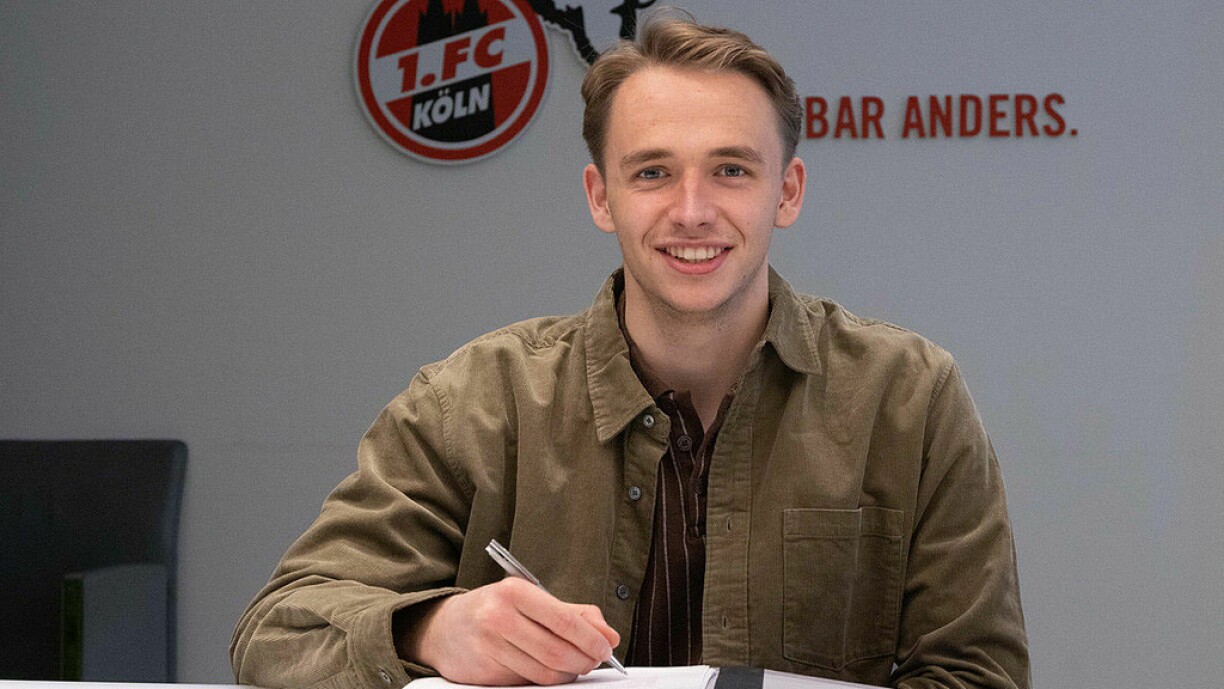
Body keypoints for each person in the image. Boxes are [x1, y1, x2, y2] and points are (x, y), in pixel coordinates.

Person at [231, 13, 1029, 689]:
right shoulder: (475, 401)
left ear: (786, 192)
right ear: (600, 196)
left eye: (730, 169)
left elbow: (978, 673)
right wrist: (430, 629)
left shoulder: (908, 397)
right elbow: (276, 632)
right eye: (653, 172)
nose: (692, 210)